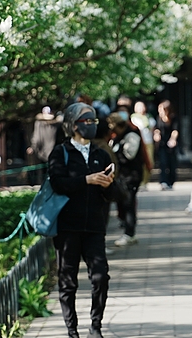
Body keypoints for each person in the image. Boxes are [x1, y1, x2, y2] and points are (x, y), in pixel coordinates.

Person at [48, 102, 116, 338]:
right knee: (68, 281)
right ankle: (72, 330)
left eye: (94, 121)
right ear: (73, 125)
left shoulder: (101, 154)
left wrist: (108, 184)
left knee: (100, 276)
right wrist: (86, 180)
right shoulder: (61, 153)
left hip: (94, 226)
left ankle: (95, 326)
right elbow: (58, 183)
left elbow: (113, 195)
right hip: (68, 227)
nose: (92, 125)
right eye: (87, 121)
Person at [108, 112, 147, 246]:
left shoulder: (131, 135)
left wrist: (116, 155)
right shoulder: (120, 136)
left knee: (129, 204)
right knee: (125, 204)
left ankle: (130, 233)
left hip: (131, 175)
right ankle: (128, 231)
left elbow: (129, 155)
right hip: (124, 175)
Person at [152, 100, 179, 190]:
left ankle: (171, 182)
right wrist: (156, 134)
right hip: (162, 143)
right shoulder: (159, 118)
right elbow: (157, 129)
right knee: (163, 163)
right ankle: (163, 181)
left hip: (171, 143)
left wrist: (173, 139)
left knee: (172, 163)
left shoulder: (173, 118)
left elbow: (175, 130)